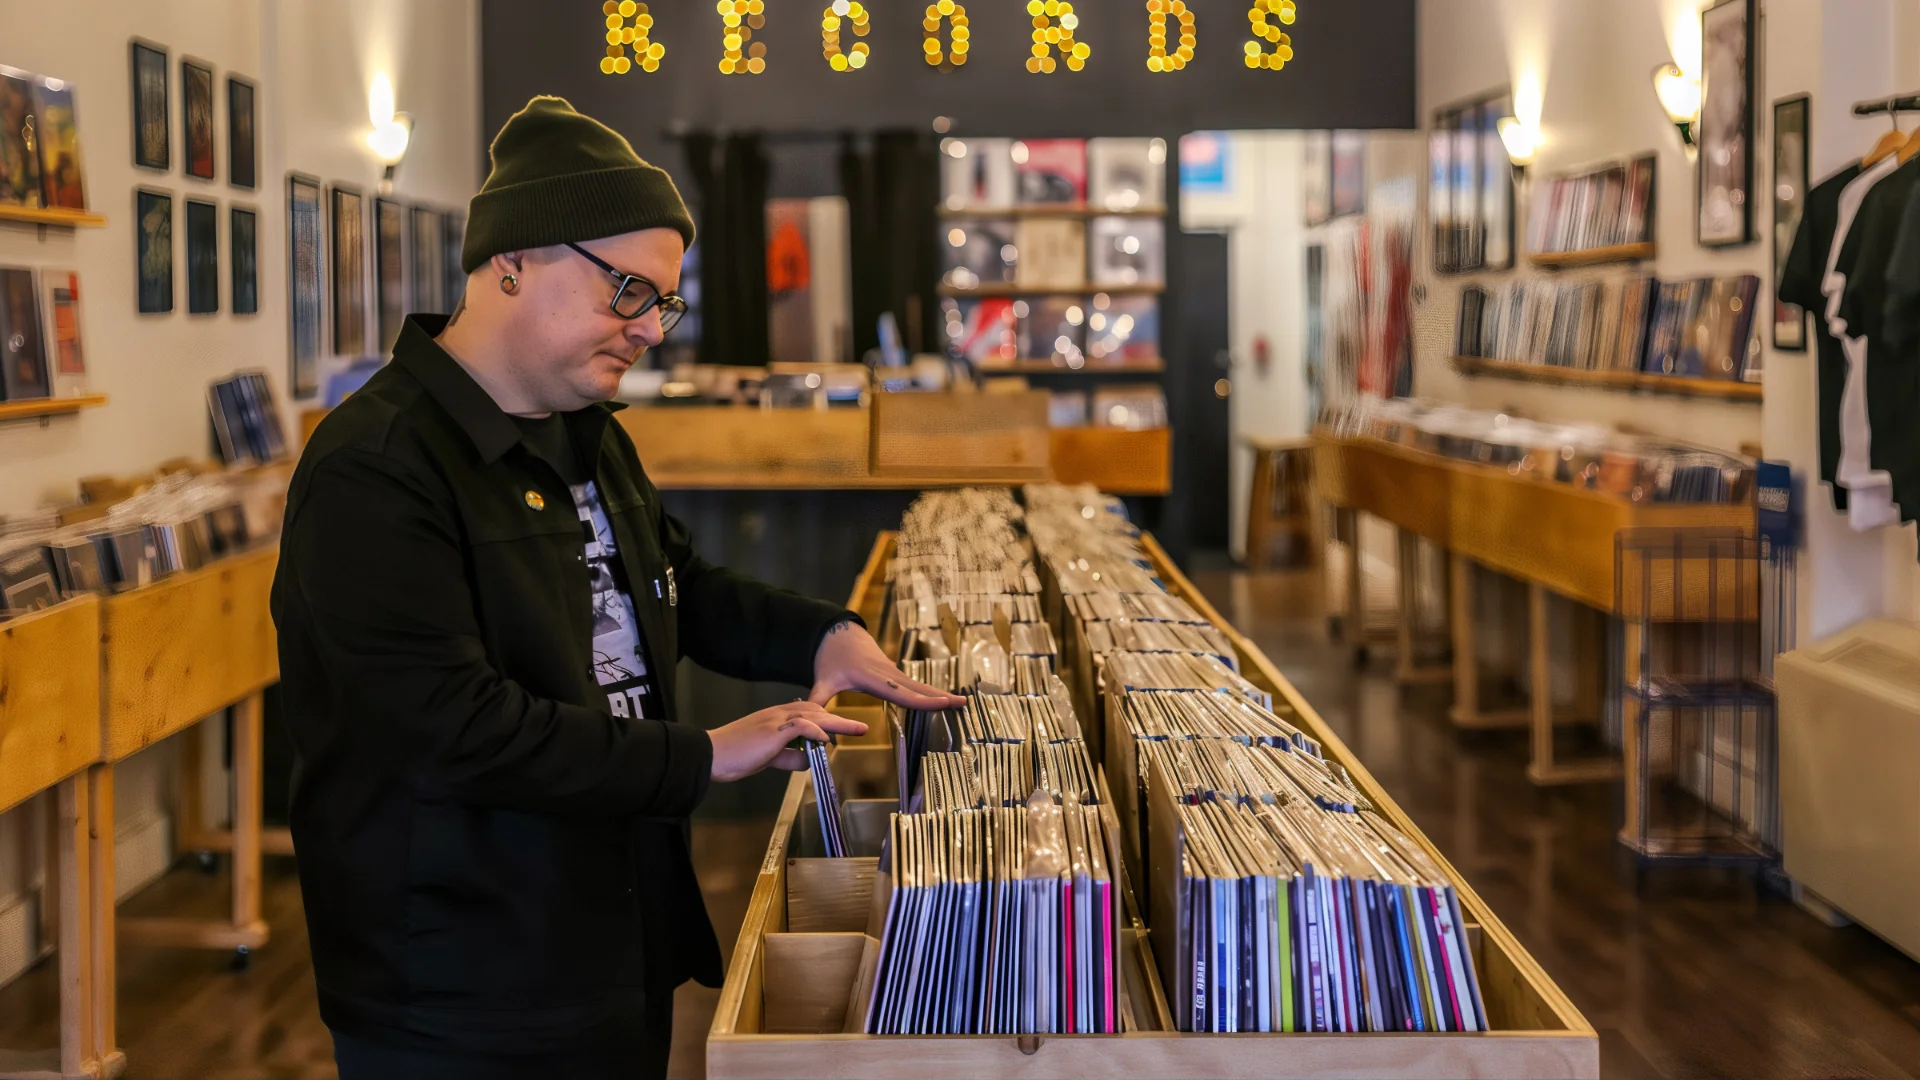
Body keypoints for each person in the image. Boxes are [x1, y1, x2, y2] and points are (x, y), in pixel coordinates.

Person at [270, 96, 962, 1080]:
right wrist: (704, 757)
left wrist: (823, 638)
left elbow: (678, 587)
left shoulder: (589, 430)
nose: (649, 329)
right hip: (459, 982)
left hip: (609, 943)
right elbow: (450, 727)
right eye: (627, 292)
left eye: (663, 301)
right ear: (513, 261)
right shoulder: (374, 467)